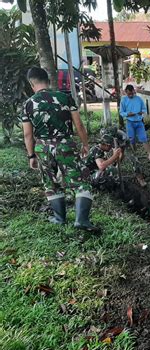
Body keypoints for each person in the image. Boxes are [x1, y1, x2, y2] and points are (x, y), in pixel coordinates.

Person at [21, 67, 99, 232]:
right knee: (81, 181)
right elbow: (79, 124)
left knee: (51, 183)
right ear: (48, 80)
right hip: (65, 145)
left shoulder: (28, 104)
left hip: (42, 147)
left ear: (31, 83)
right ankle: (82, 220)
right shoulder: (65, 97)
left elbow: (28, 135)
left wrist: (31, 156)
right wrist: (85, 144)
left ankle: (59, 218)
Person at [119, 84, 150, 160]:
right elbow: (121, 112)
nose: (131, 95)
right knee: (131, 140)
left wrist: (141, 112)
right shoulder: (123, 100)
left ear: (134, 91)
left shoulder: (138, 99)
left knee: (144, 138)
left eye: (132, 93)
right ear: (126, 92)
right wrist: (128, 114)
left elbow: (144, 109)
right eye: (129, 94)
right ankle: (134, 156)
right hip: (130, 122)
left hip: (139, 122)